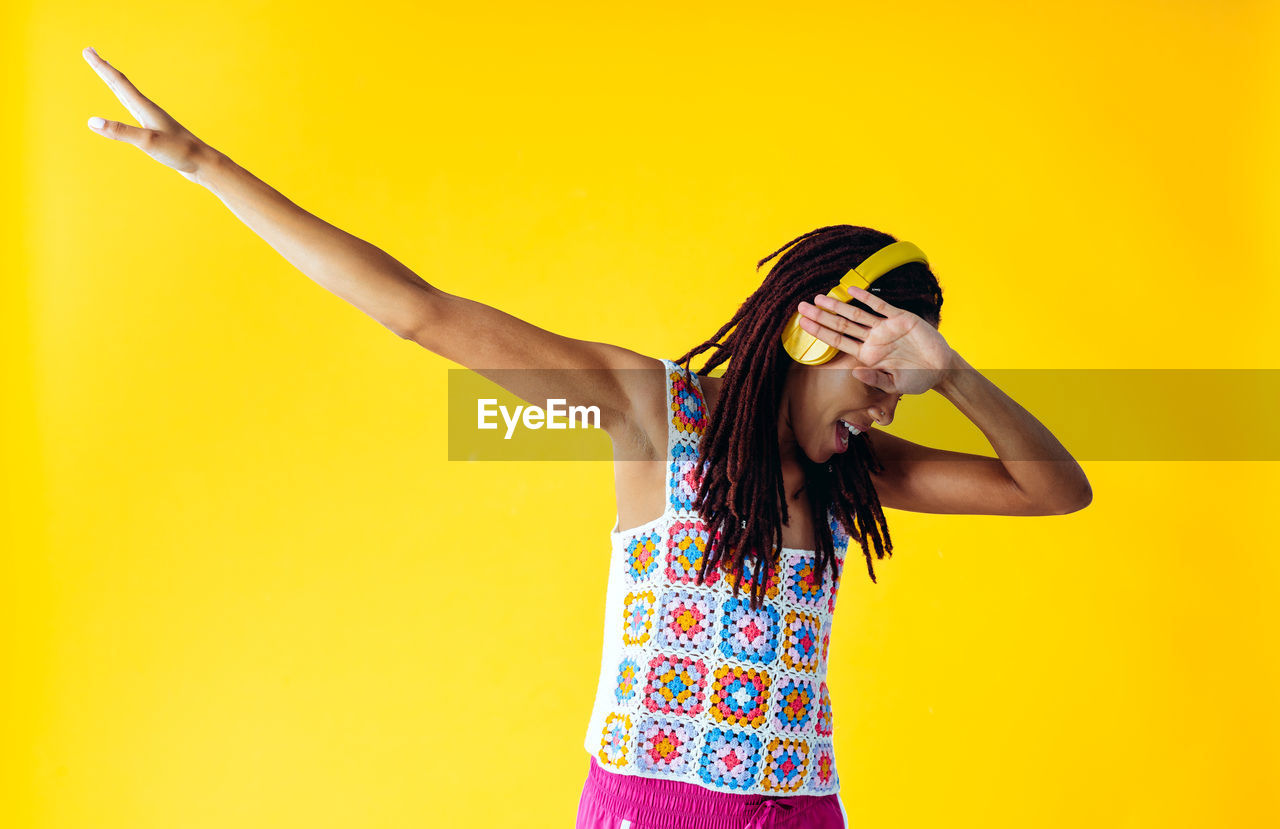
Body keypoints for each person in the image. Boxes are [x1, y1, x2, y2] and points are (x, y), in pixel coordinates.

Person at [82, 46, 1092, 829]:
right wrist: (203, 164)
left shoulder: (855, 475)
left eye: (902, 390)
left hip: (803, 808)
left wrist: (950, 371)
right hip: (650, 809)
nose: (883, 411)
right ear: (802, 332)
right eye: (877, 381)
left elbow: (1053, 489)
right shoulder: (656, 413)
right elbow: (417, 310)